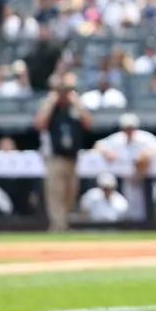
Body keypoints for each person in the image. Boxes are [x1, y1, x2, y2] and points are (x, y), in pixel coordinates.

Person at [32, 73, 93, 232]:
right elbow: (39, 124)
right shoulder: (52, 108)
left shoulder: (74, 108)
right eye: (62, 90)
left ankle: (64, 223)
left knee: (70, 193)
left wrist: (77, 102)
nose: (64, 93)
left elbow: (88, 124)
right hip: (55, 157)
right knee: (55, 192)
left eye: (67, 90)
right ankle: (58, 226)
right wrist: (51, 101)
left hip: (73, 157)